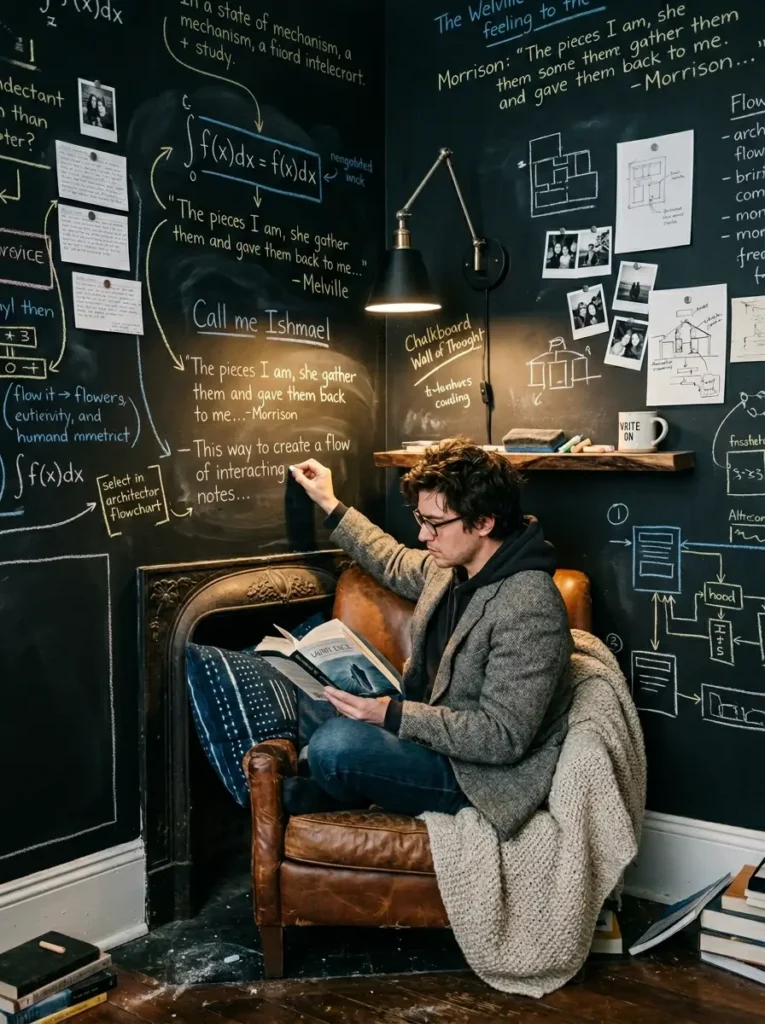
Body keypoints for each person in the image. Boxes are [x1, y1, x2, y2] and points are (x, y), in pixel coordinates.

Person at [287, 438, 574, 841]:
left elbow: (503, 738)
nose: (423, 536)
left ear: (483, 522)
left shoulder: (529, 604)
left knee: (335, 744)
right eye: (421, 520)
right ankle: (328, 783)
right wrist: (331, 504)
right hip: (428, 728)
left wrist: (393, 716)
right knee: (312, 699)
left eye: (434, 524)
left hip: (475, 775)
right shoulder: (452, 567)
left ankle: (324, 787)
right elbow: (391, 559)